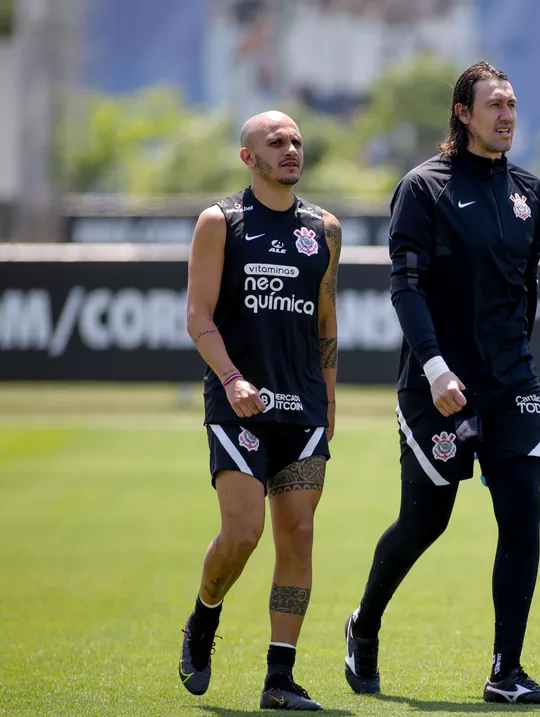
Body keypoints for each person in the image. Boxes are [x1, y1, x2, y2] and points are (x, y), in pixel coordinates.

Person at [341, 61, 540, 706]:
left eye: (513, 103)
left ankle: (506, 671)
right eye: (495, 103)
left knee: (523, 515)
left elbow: (526, 288)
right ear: (463, 114)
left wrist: (516, 362)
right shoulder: (423, 187)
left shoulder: (531, 190)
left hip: (512, 382)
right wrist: (437, 367)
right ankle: (364, 623)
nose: (507, 114)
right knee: (425, 520)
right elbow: (405, 287)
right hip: (437, 383)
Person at [179, 110, 342, 711]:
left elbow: (327, 322)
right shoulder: (220, 222)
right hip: (237, 405)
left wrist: (329, 401)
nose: (291, 149)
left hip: (302, 409)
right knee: (244, 533)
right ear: (248, 156)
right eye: (276, 142)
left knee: (297, 537)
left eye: (297, 140)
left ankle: (280, 679)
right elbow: (198, 316)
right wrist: (232, 378)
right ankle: (204, 617)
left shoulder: (324, 229)